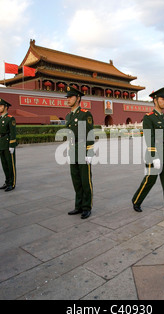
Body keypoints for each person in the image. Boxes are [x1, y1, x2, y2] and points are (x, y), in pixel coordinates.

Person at [131, 87, 164, 220]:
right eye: (162, 99)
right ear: (155, 100)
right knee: (149, 181)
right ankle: (136, 200)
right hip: (154, 154)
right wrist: (154, 156)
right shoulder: (149, 118)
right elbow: (149, 138)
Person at [65, 86, 94, 219]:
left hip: (83, 149)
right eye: (68, 97)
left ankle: (87, 207)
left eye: (71, 97)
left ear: (78, 98)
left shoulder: (84, 114)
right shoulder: (69, 115)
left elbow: (89, 134)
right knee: (76, 179)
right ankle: (78, 206)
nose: (68, 99)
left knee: (85, 180)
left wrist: (89, 152)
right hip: (73, 149)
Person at [0, 99, 17, 192]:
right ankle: (7, 181)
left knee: (10, 164)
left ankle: (12, 183)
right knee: (4, 164)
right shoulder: (0, 118)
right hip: (1, 143)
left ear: (6, 107)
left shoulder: (10, 118)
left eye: (1, 106)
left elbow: (13, 133)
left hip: (8, 143)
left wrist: (12, 145)